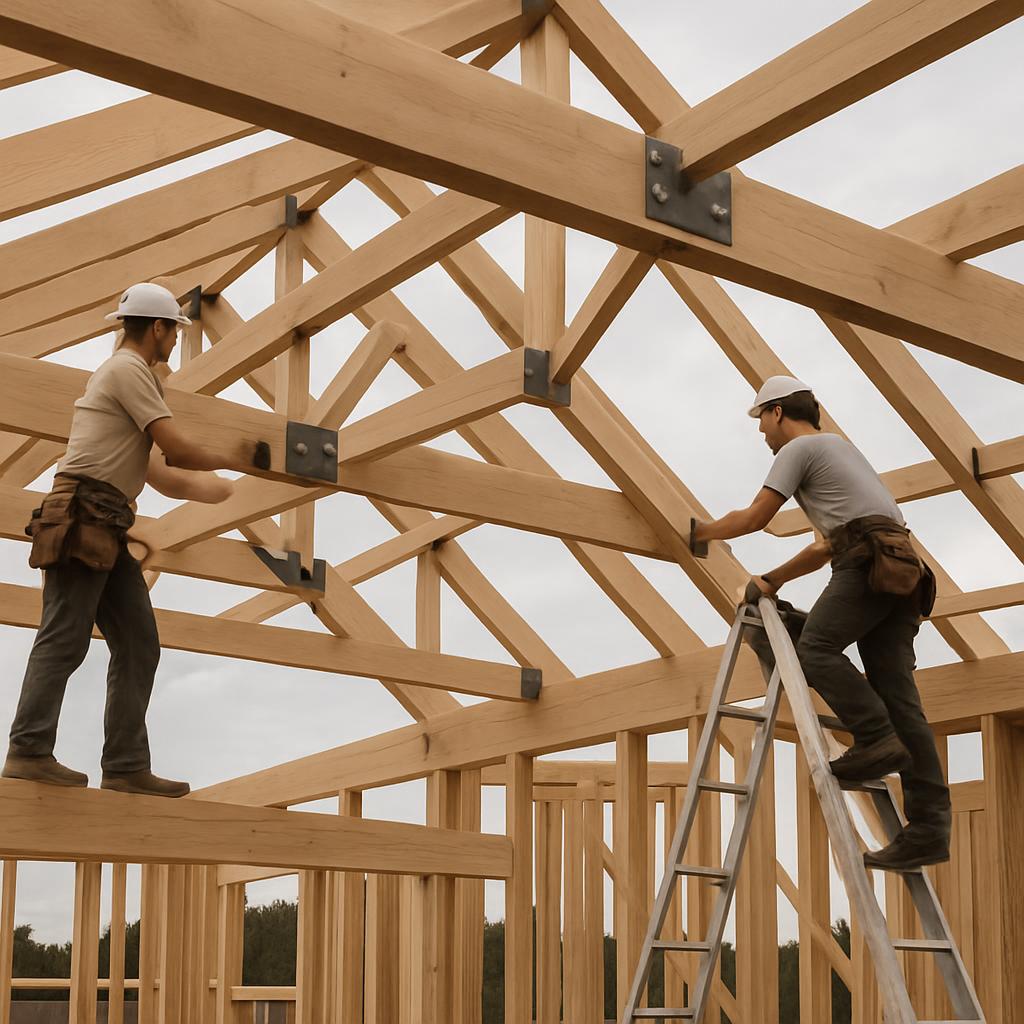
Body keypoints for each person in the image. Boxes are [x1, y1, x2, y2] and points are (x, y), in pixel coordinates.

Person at [3, 283, 256, 798]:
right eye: (173, 332)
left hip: (106, 522)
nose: (174, 343)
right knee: (65, 636)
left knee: (139, 642)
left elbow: (163, 475)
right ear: (158, 328)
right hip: (81, 514)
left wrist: (231, 490)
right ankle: (28, 750)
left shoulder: (137, 380)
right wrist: (232, 456)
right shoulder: (127, 371)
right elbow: (179, 451)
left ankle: (124, 766)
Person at [692, 375, 950, 872]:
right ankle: (930, 828)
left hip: (866, 563)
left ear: (778, 412)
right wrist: (773, 579)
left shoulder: (798, 448)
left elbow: (755, 518)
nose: (761, 433)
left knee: (814, 650)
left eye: (761, 420)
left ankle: (875, 737)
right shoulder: (842, 454)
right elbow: (823, 546)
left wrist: (699, 532)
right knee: (900, 698)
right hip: (901, 571)